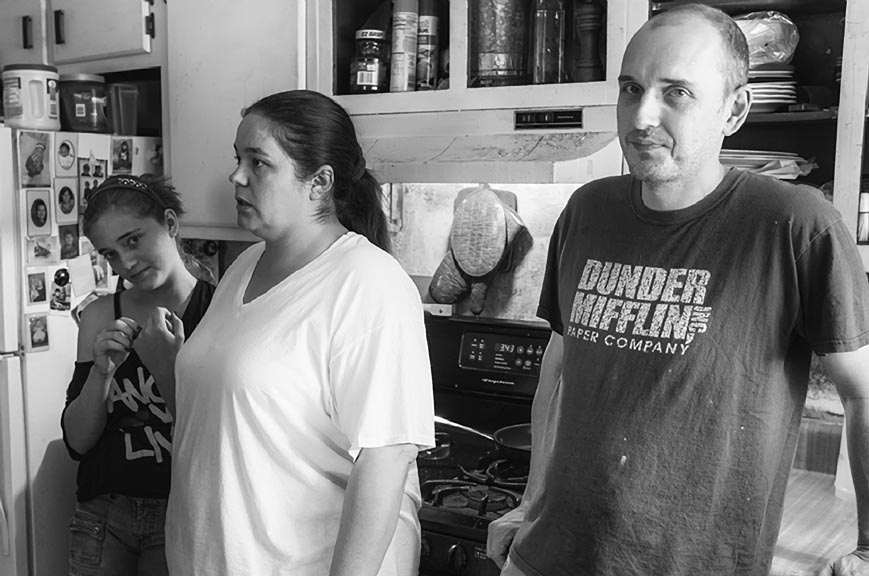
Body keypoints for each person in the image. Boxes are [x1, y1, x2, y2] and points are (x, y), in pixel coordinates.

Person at [487, 5, 869, 576]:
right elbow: (559, 371)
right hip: (546, 554)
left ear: (734, 110)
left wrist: (868, 546)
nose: (642, 115)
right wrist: (529, 502)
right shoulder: (587, 211)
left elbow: (863, 393)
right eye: (631, 88)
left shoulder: (794, 225)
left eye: (677, 93)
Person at [138, 89, 435, 576]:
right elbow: (229, 429)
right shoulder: (244, 266)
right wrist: (170, 368)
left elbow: (387, 456)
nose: (236, 176)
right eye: (238, 158)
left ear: (319, 182)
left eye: (258, 162)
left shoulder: (368, 282)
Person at [60, 175, 216, 576]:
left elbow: (217, 439)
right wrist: (101, 373)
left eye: (133, 240)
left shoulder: (218, 311)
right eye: (110, 254)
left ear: (170, 223)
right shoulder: (100, 316)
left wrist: (167, 366)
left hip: (185, 512)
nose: (125, 264)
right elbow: (77, 442)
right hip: (103, 516)